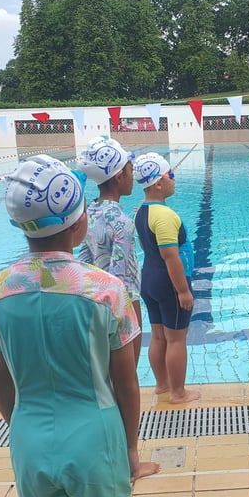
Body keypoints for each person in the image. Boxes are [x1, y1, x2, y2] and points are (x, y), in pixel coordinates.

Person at [0, 155, 158, 497]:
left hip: (30, 441)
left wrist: (26, 429)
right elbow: (126, 385)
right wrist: (130, 448)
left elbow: (0, 385)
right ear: (79, 224)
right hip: (95, 439)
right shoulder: (106, 291)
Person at [133, 153, 199, 405]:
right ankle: (178, 393)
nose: (174, 179)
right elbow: (171, 256)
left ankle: (162, 384)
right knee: (176, 339)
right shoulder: (164, 215)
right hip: (169, 282)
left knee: (159, 335)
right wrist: (183, 291)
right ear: (158, 183)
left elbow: (144, 244)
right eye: (170, 175)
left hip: (149, 279)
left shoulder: (142, 211)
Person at [77, 136, 143, 366]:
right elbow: (118, 279)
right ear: (119, 176)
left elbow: (83, 263)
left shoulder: (89, 213)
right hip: (123, 304)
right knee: (127, 376)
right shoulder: (121, 222)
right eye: (131, 171)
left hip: (93, 302)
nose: (132, 177)